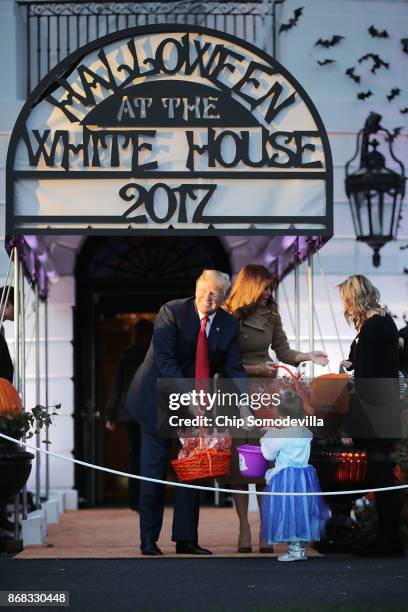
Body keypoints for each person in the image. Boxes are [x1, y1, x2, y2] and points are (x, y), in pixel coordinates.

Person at [125, 269, 246, 556]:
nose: (208, 297)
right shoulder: (171, 312)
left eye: (216, 293)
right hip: (157, 400)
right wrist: (188, 396)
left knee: (193, 470)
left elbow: (234, 367)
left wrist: (245, 402)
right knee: (153, 471)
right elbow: (165, 361)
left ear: (225, 296)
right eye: (204, 291)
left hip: (195, 408)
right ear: (196, 288)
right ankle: (148, 539)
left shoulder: (228, 325)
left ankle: (186, 539)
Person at [222, 264, 328, 553]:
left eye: (271, 288)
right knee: (241, 463)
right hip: (236, 389)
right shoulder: (229, 315)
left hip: (265, 394)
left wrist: (307, 355)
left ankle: (264, 526)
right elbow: (223, 360)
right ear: (251, 287)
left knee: (269, 460)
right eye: (265, 288)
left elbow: (283, 351)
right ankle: (243, 525)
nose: (270, 293)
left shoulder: (271, 314)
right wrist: (255, 366)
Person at [338, 274, 403, 557]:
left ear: (354, 298)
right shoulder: (382, 322)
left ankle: (388, 539)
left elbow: (366, 378)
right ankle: (387, 536)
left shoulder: (373, 326)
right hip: (385, 405)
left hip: (375, 407)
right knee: (382, 472)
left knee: (381, 473)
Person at [260, 390, 330, 561]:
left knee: (288, 511)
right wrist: (274, 432)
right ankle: (300, 549)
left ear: (280, 413)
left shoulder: (279, 435)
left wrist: (266, 438)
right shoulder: (306, 433)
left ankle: (295, 552)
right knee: (303, 511)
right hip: (305, 478)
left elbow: (268, 454)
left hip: (286, 479)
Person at [105, 318, 154, 512]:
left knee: (134, 455)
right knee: (150, 456)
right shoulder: (154, 354)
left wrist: (110, 414)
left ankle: (135, 500)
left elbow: (117, 385)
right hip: (150, 410)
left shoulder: (127, 354)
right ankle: (148, 499)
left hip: (129, 411)